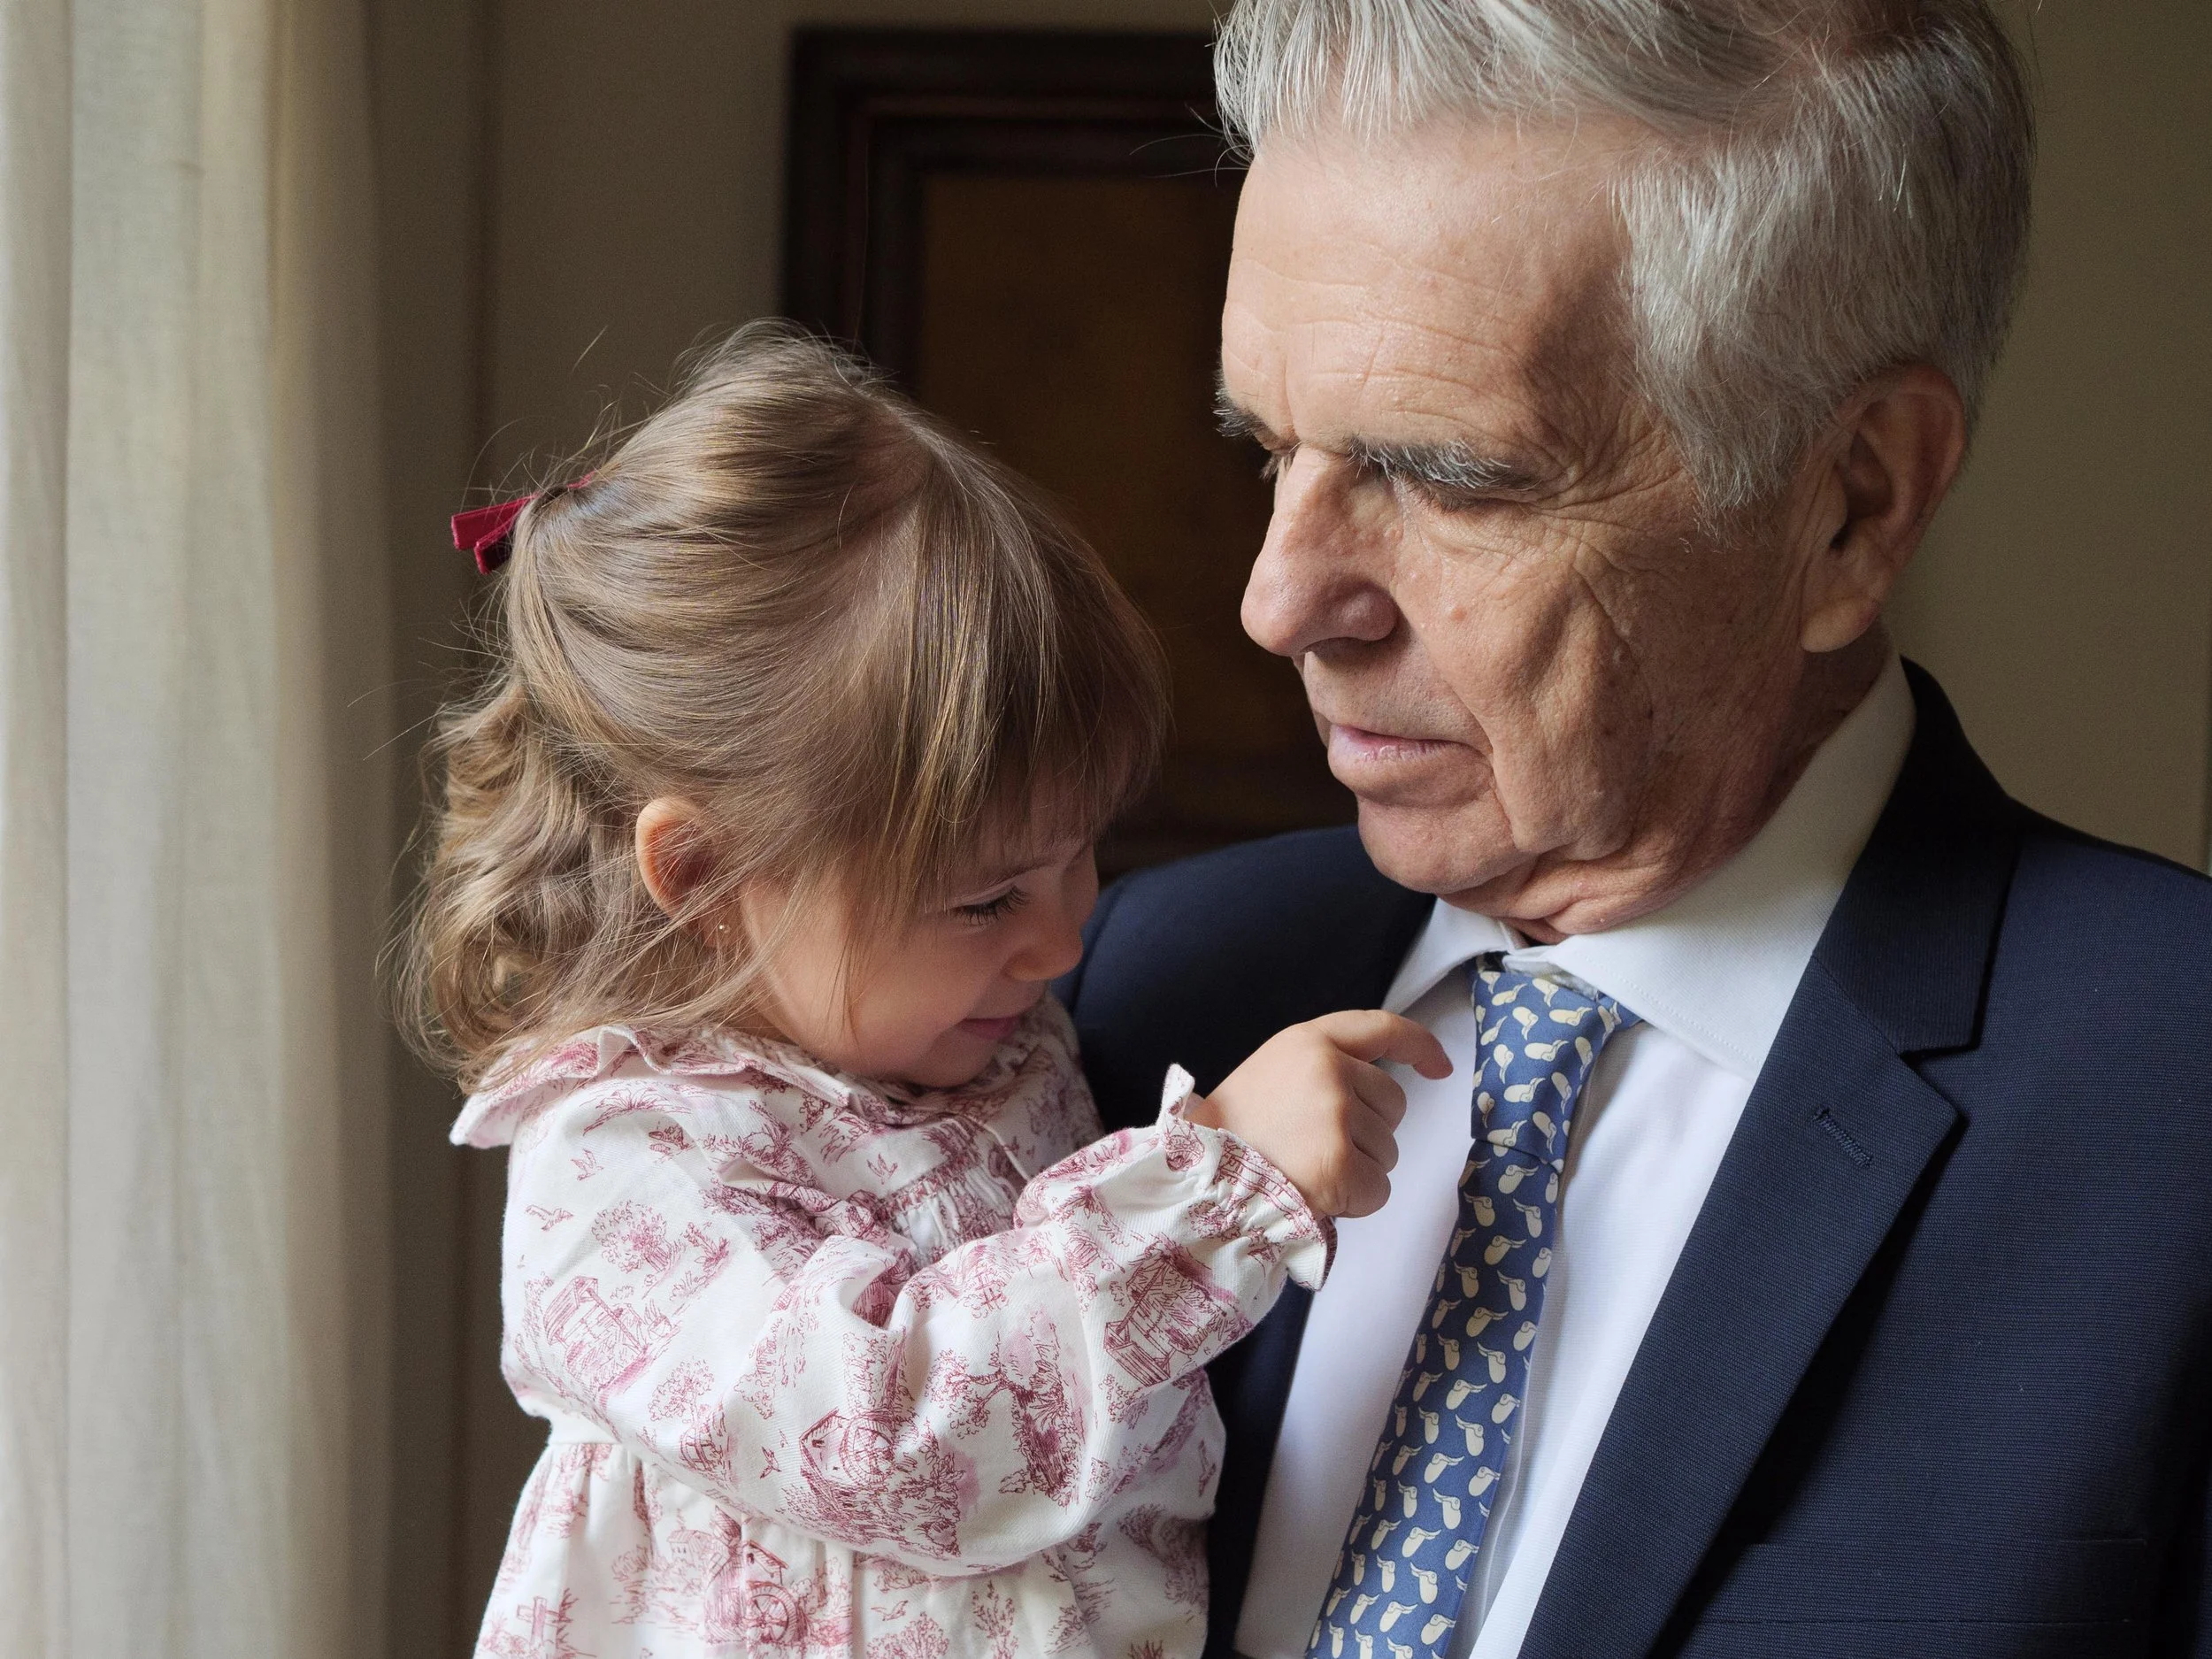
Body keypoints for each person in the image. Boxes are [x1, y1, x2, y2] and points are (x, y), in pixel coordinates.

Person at [1060, 3, 2212, 1656]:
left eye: (1449, 476)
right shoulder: (1123, 989)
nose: (1278, 598)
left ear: (1852, 507)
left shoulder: (2177, 1103)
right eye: (1268, 447)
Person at [404, 324, 1445, 1659]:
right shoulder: (618, 1174)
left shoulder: (986, 1043)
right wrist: (1213, 1195)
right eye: (987, 896)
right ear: (708, 870)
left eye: (1086, 852)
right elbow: (889, 1438)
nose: (1067, 936)